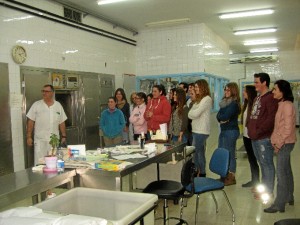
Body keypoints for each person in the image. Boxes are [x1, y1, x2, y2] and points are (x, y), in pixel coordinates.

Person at [264, 80, 297, 213]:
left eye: (275, 89)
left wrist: (278, 143)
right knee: (287, 171)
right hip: (285, 142)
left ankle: (279, 203)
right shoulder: (283, 104)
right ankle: (289, 196)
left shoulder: (287, 105)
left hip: (285, 143)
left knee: (281, 174)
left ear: (282, 91)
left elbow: (288, 128)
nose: (273, 91)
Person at [247, 72, 278, 197]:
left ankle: (268, 191)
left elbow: (271, 119)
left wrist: (258, 131)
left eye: (257, 82)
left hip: (263, 138)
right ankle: (263, 188)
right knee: (261, 163)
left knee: (267, 165)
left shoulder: (270, 98)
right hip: (254, 137)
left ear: (264, 83)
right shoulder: (257, 97)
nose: (255, 84)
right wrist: (250, 129)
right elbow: (252, 116)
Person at [26, 84, 67, 166]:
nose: (44, 93)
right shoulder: (36, 105)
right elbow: (31, 121)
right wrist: (29, 137)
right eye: (43, 91)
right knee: (39, 162)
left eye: (47, 91)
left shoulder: (58, 105)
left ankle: (53, 178)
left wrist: (64, 136)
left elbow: (61, 122)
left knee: (53, 162)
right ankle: (39, 179)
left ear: (52, 93)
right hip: (40, 140)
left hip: (53, 141)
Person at [217, 82, 241, 185]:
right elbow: (219, 116)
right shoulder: (224, 103)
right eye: (225, 90)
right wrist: (222, 119)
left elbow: (225, 116)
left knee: (230, 154)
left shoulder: (234, 104)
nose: (226, 92)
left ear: (233, 91)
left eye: (228, 90)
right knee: (223, 153)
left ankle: (231, 177)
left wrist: (223, 118)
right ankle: (223, 175)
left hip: (231, 131)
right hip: (224, 130)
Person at [188, 79, 212, 177]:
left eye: (197, 87)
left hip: (201, 131)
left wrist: (193, 112)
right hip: (196, 130)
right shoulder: (198, 100)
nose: (195, 89)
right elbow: (190, 114)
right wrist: (193, 112)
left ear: (203, 87)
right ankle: (201, 172)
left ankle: (198, 172)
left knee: (196, 153)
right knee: (199, 153)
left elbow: (195, 113)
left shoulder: (207, 99)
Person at [241, 85, 260, 188]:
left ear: (250, 93)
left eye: (245, 91)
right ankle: (254, 180)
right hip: (246, 136)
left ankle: (256, 181)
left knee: (254, 159)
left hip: (251, 136)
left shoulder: (254, 105)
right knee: (251, 159)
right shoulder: (247, 104)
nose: (243, 92)